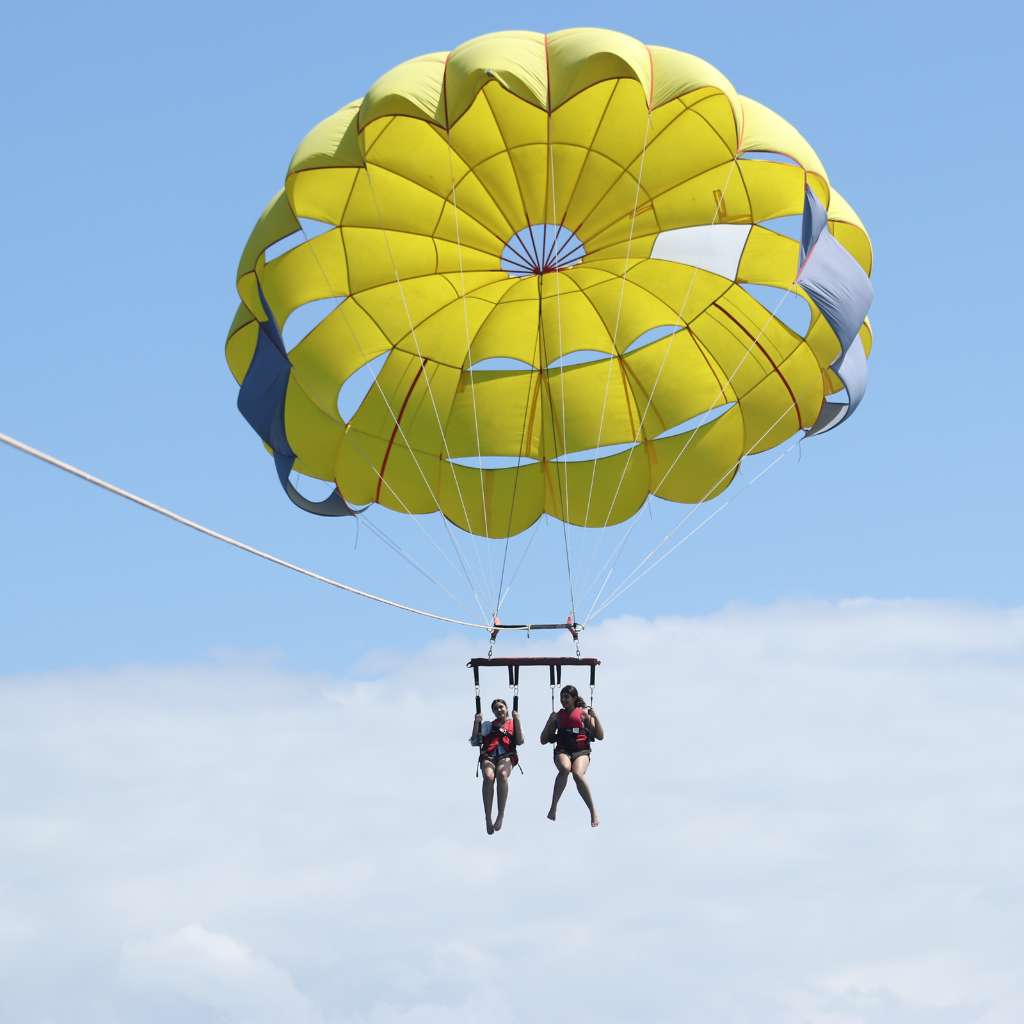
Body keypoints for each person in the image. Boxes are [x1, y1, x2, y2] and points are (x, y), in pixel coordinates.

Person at [541, 684, 604, 827]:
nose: (563, 700)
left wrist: (595, 717)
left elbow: (600, 736)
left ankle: (593, 811)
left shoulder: (583, 713)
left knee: (577, 774)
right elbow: (543, 740)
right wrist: (549, 722)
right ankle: (553, 807)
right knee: (564, 768)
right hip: (563, 750)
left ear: (574, 698)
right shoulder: (558, 716)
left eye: (566, 697)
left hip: (581, 750)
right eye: (561, 697)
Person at [470, 697, 524, 835]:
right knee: (488, 776)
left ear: (506, 708)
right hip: (489, 755)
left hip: (506, 755)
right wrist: (476, 722)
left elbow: (519, 741)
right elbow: (475, 741)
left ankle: (500, 814)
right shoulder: (488, 725)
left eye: (501, 707)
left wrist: (517, 719)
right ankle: (488, 817)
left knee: (502, 774)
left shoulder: (513, 722)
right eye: (496, 708)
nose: (499, 710)